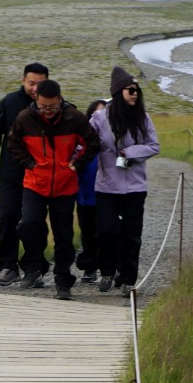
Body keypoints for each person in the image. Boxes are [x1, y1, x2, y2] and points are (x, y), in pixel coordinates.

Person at [8, 78, 98, 299]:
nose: (47, 111)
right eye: (43, 106)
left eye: (52, 106)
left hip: (65, 186)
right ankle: (33, 268)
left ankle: (63, 280)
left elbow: (93, 143)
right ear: (36, 100)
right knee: (29, 225)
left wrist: (77, 164)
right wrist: (30, 163)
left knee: (63, 235)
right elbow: (13, 144)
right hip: (35, 183)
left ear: (60, 100)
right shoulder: (24, 118)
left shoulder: (74, 118)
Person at [91, 67, 160, 292]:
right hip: (107, 185)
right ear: (118, 92)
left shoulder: (143, 118)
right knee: (106, 230)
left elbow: (154, 146)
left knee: (132, 234)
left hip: (135, 186)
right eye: (130, 90)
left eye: (137, 90)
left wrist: (130, 152)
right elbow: (87, 142)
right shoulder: (100, 118)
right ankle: (108, 272)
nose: (135, 94)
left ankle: (128, 279)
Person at [0, 63, 48, 286]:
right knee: (8, 217)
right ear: (23, 81)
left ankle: (33, 267)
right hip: (11, 171)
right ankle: (8, 267)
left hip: (41, 172)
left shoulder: (52, 104)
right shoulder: (9, 103)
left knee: (34, 221)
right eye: (31, 83)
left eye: (40, 83)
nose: (35, 88)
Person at [74, 98, 107, 280]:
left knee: (106, 230)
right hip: (86, 193)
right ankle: (90, 266)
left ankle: (108, 266)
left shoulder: (112, 140)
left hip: (107, 193)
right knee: (87, 231)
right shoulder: (81, 141)